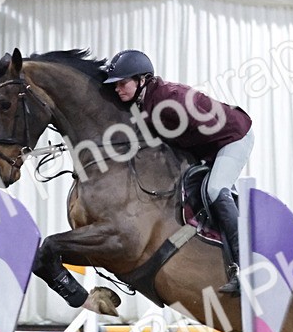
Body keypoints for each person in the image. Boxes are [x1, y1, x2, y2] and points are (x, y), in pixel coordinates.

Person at [103, 50, 253, 294]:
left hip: (232, 137)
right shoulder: (143, 102)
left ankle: (246, 268)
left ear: (142, 80)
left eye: (122, 84)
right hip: (207, 144)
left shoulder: (171, 99)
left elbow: (200, 128)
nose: (118, 90)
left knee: (215, 189)